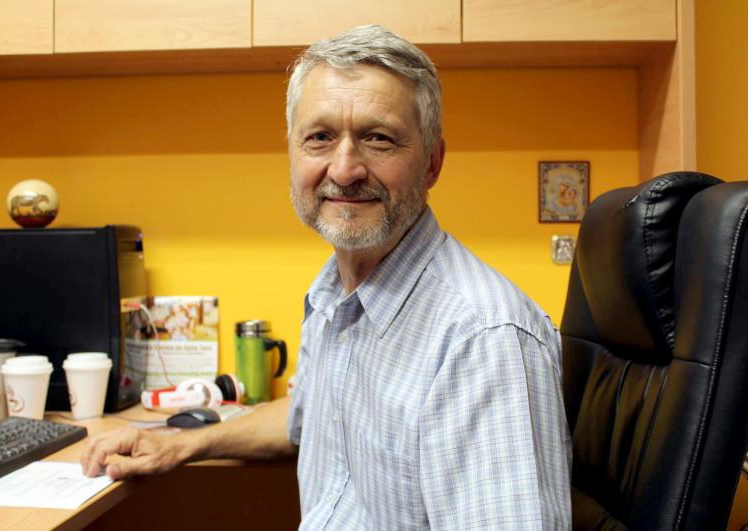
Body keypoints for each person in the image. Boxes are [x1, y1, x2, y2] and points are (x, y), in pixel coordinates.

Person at [82, 24, 572, 529]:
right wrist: (180, 445)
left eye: (378, 139)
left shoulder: (482, 341)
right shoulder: (334, 294)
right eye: (319, 138)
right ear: (293, 153)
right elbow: (309, 414)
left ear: (432, 163)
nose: (344, 170)